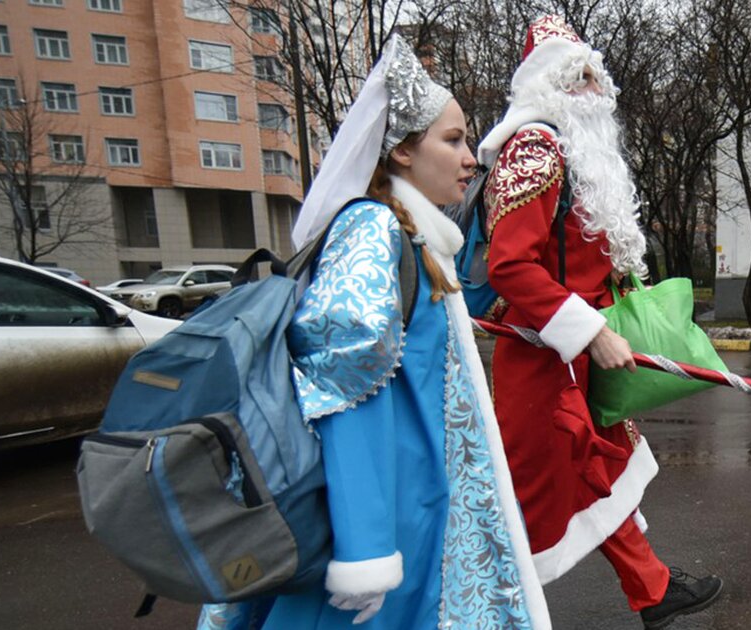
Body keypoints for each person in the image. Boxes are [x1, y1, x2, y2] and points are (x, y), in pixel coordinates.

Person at [201, 35, 550, 630]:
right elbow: (343, 390)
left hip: (415, 510)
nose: (471, 157)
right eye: (453, 139)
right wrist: (364, 552)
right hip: (383, 532)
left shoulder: (414, 237)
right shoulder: (372, 229)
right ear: (402, 153)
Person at [479, 15, 722, 629]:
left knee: (599, 469)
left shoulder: (574, 151)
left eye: (595, 74)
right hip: (543, 358)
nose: (594, 88)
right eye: (577, 76)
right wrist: (589, 329)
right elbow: (510, 265)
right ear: (546, 86)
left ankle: (655, 589)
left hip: (574, 358)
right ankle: (481, 611)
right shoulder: (535, 148)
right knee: (528, 501)